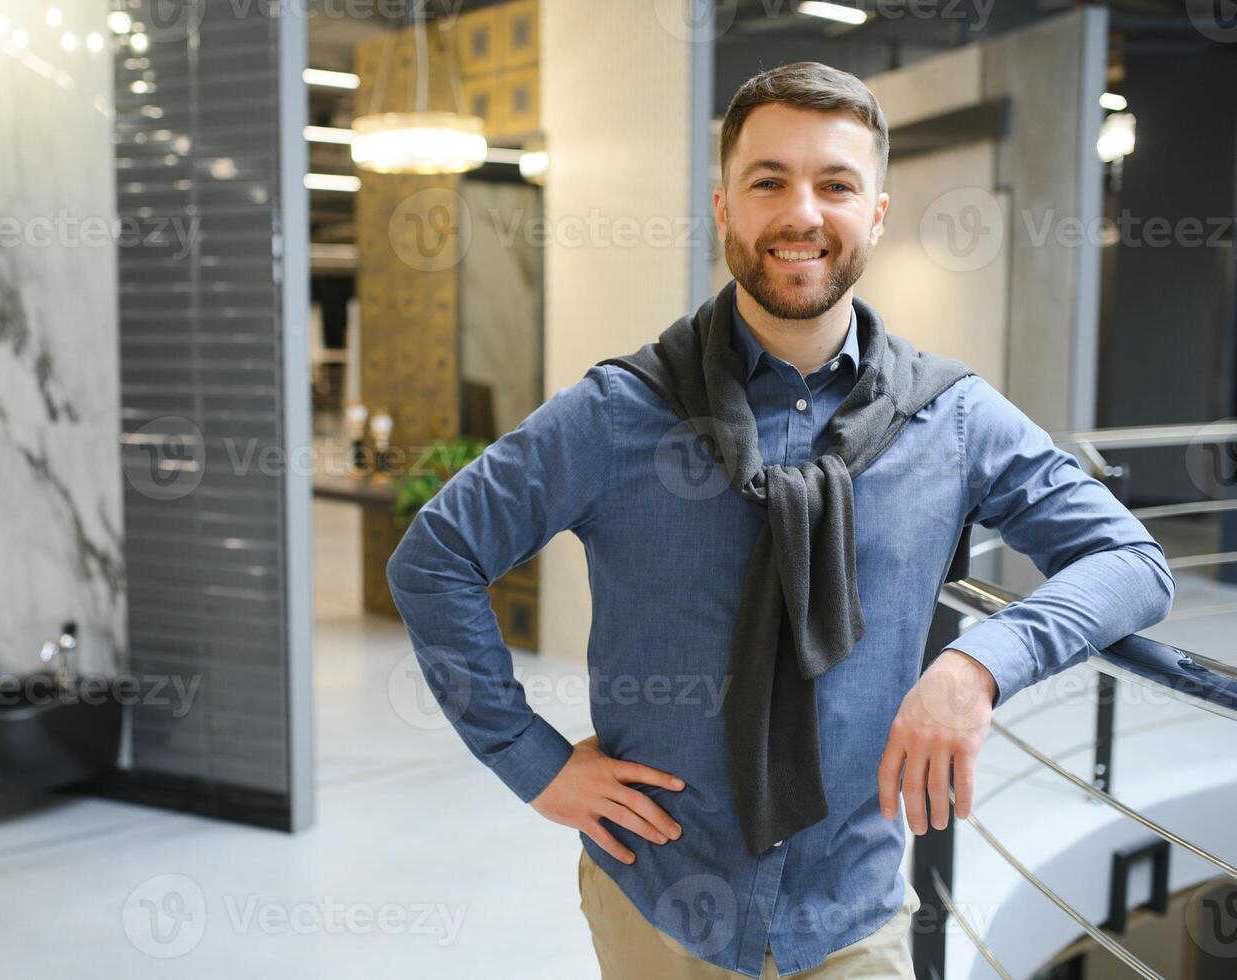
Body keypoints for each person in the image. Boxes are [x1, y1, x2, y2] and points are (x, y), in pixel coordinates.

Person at [385, 60, 1175, 979]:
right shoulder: (616, 412)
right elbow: (434, 557)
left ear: (874, 214)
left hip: (853, 909)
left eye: (835, 184)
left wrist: (976, 665)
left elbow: (1130, 561)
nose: (802, 212)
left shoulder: (952, 418)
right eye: (768, 181)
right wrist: (533, 761)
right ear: (723, 208)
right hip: (660, 900)